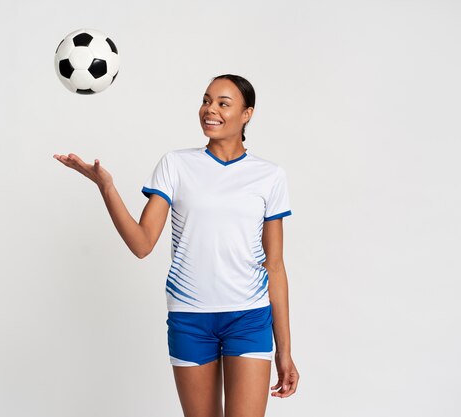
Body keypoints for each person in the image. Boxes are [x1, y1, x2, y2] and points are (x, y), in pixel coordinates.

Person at [53, 74, 299, 416]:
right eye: (206, 100)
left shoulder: (269, 176)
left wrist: (284, 351)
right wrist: (106, 187)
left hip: (249, 318)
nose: (210, 109)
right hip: (190, 319)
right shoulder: (176, 164)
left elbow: (275, 265)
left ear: (247, 114)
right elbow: (142, 244)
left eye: (223, 104)